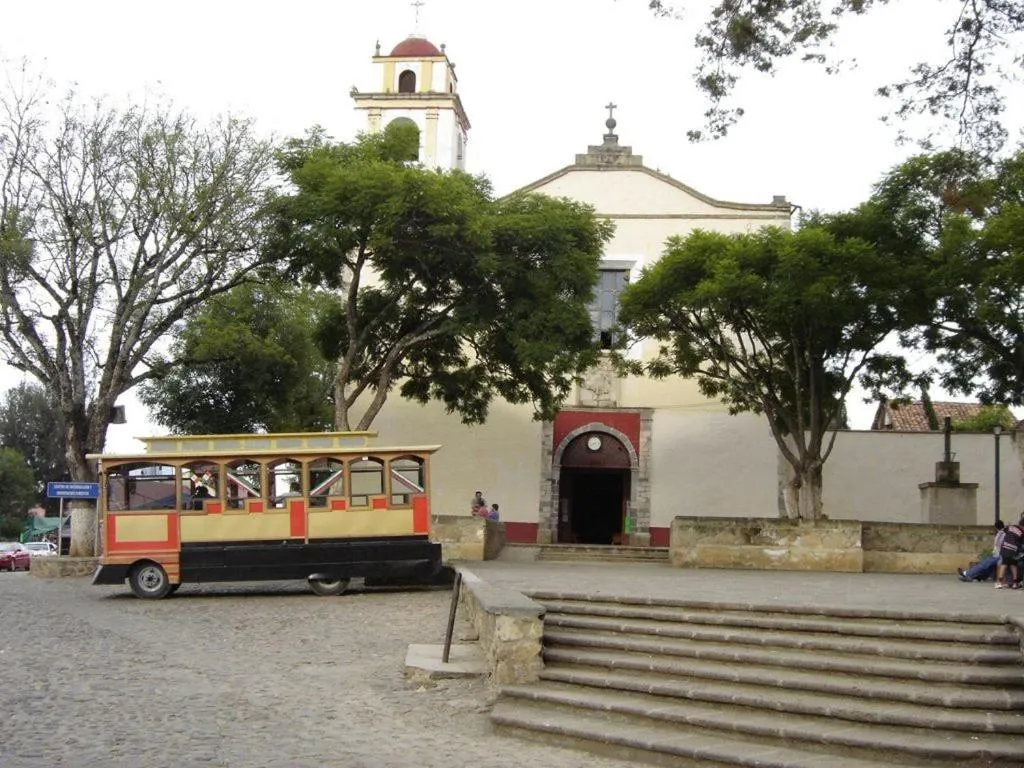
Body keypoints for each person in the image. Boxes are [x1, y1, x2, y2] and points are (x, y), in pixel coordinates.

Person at [994, 515, 1024, 589]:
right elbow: (1021, 544)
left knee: (1004, 564)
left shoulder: (1011, 527)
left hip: (1005, 548)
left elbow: (1003, 530)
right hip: (1014, 550)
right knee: (1013, 565)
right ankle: (1015, 583)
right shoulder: (1022, 532)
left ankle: (999, 583)